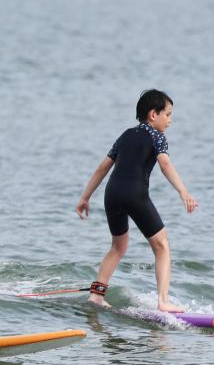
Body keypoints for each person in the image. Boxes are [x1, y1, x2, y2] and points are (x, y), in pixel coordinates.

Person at [75, 89, 198, 312]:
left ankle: (96, 295)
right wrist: (184, 192)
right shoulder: (157, 136)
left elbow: (103, 167)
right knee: (162, 246)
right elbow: (165, 164)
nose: (170, 121)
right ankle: (163, 301)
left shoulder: (125, 135)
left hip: (111, 194)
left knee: (118, 246)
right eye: (168, 114)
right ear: (153, 115)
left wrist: (85, 197)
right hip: (134, 193)